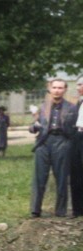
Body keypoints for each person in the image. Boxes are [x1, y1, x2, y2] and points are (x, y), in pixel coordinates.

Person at [29, 78, 78, 218]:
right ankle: (35, 210)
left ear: (65, 90)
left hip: (62, 141)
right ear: (50, 89)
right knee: (39, 177)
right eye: (54, 87)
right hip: (43, 142)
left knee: (62, 178)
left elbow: (75, 128)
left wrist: (69, 142)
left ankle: (61, 211)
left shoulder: (72, 108)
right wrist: (34, 127)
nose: (57, 90)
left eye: (60, 88)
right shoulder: (43, 106)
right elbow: (32, 126)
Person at [71, 76, 83, 218]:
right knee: (76, 172)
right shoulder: (79, 103)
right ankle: (78, 209)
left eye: (80, 84)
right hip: (77, 136)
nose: (77, 87)